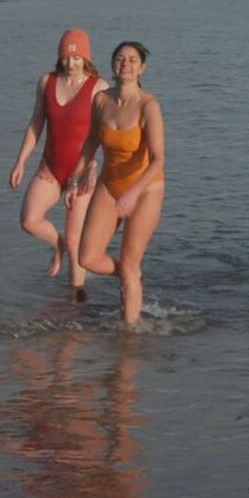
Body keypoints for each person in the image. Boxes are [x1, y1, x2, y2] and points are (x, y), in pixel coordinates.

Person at [9, 29, 109, 301]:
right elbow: (35, 125)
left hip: (83, 173)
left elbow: (105, 134)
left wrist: (93, 167)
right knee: (29, 221)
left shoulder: (99, 87)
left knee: (77, 240)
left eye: (76, 57)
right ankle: (57, 244)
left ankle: (76, 301)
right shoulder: (47, 82)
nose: (70, 62)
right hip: (50, 168)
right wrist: (20, 162)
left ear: (86, 58)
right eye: (66, 56)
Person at [71, 42, 165, 325]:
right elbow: (90, 144)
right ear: (113, 64)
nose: (126, 63)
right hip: (110, 185)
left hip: (146, 189)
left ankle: (130, 333)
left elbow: (159, 159)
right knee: (87, 258)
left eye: (133, 60)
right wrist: (74, 180)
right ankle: (129, 273)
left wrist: (133, 195)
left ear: (142, 68)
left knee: (130, 260)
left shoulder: (148, 105)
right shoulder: (101, 100)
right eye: (120, 58)